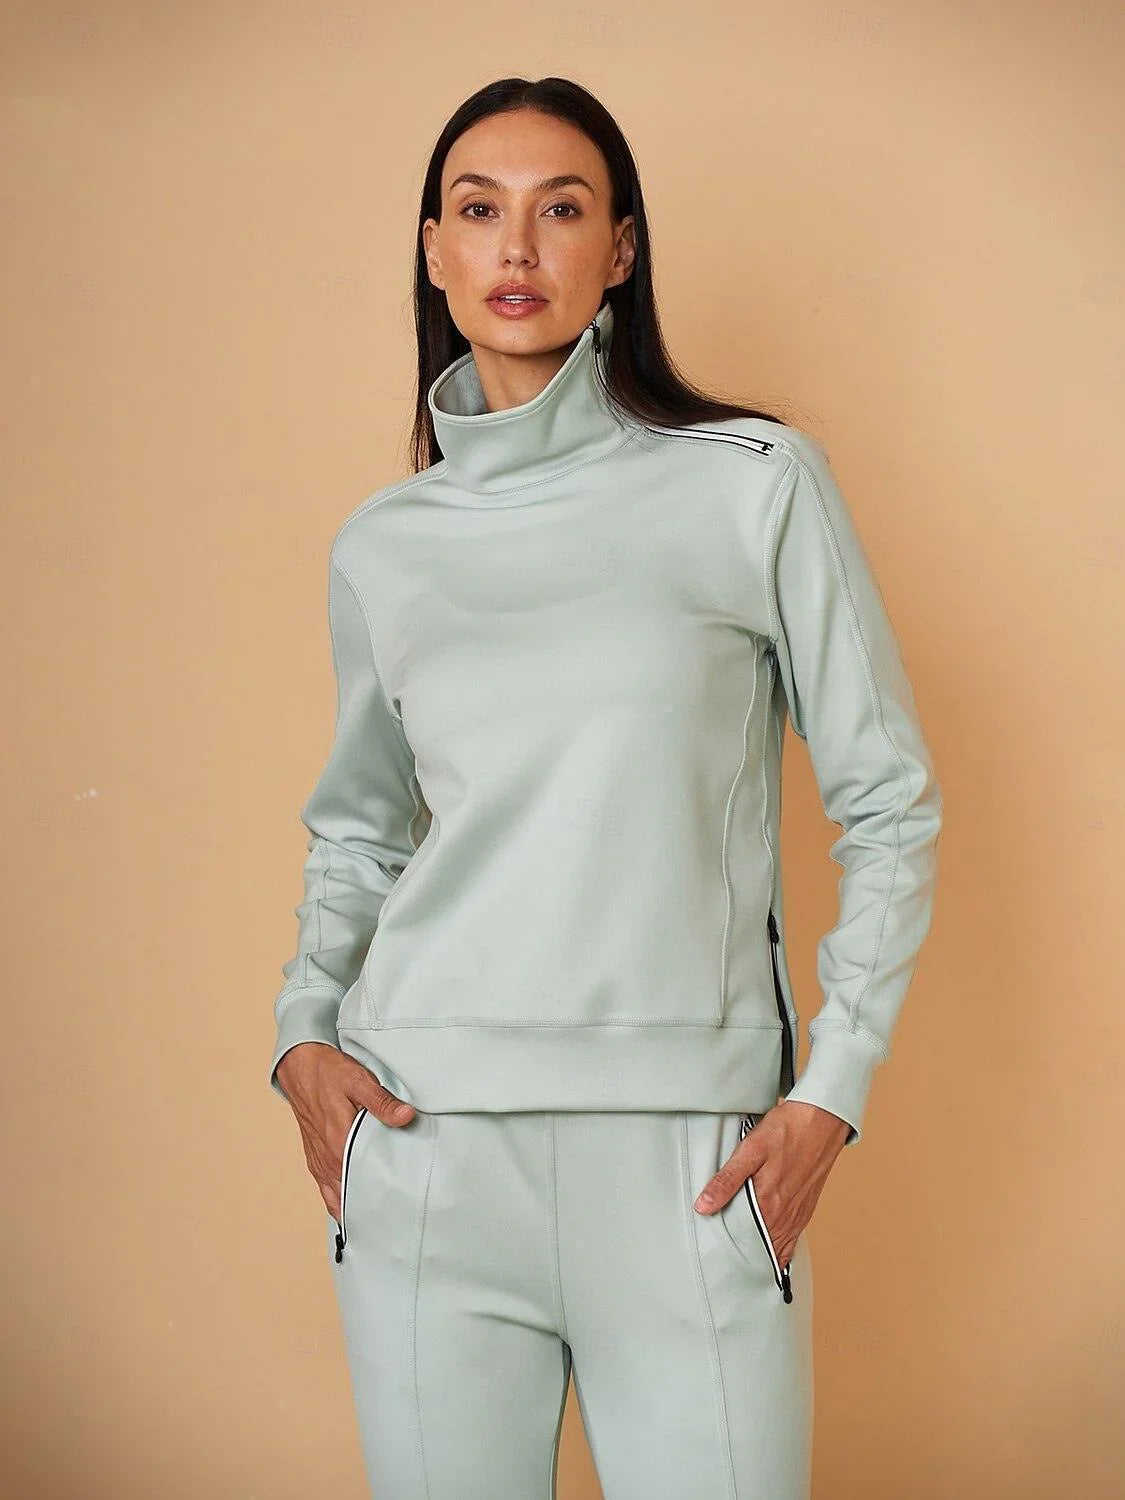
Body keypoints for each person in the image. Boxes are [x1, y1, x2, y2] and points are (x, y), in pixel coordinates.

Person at [267, 75, 943, 1500]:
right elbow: (359, 831)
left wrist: (830, 1092)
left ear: (621, 249)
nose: (516, 248)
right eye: (478, 211)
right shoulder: (384, 544)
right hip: (424, 1149)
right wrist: (300, 1041)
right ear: (434, 251)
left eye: (561, 210)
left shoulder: (754, 482)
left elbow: (887, 802)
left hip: (690, 1163)